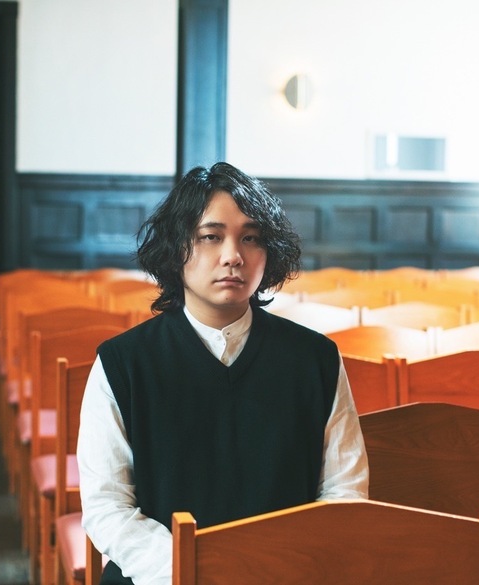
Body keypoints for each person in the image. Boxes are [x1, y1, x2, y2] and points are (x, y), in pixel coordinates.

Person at [77, 162, 369, 585]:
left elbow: (345, 492)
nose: (233, 256)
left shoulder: (315, 358)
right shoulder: (123, 363)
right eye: (211, 237)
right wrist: (193, 572)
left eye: (251, 238)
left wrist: (279, 569)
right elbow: (108, 506)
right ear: (176, 248)